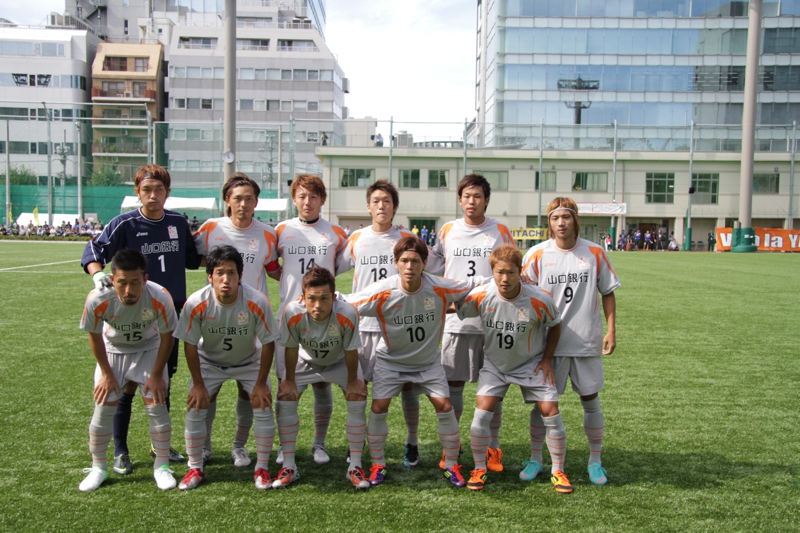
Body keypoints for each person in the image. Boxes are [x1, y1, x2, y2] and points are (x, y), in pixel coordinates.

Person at [81, 164, 201, 474]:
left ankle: (159, 446)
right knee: (125, 388)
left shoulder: (178, 222)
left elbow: (192, 259)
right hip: (131, 313)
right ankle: (120, 450)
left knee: (161, 381)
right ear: (138, 192)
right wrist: (97, 275)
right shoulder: (124, 224)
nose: (153, 195)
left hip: (168, 313)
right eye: (146, 190)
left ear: (167, 192)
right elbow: (92, 250)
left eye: (159, 189)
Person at [346, 236, 482, 488]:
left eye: (416, 261)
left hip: (428, 363)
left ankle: (452, 465)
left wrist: (511, 279)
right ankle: (378, 464)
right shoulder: (383, 291)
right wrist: (311, 297)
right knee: (379, 407)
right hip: (391, 361)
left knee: (445, 406)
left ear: (425, 263)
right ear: (396, 263)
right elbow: (347, 302)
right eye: (404, 260)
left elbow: (474, 283)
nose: (410, 266)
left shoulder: (439, 287)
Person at [522, 197, 620, 486]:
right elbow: (523, 296)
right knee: (543, 405)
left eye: (566, 217)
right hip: (546, 347)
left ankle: (595, 461)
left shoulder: (595, 252)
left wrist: (611, 330)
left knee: (590, 400)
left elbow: (608, 292)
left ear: (575, 219)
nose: (561, 223)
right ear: (549, 222)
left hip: (585, 342)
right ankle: (536, 458)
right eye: (555, 218)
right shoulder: (537, 253)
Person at [459, 244, 572, 493]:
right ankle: (479, 468)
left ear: (520, 271)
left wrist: (547, 359)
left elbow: (555, 324)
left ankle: (558, 471)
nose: (505, 278)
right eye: (499, 272)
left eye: (511, 272)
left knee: (551, 411)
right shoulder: (481, 294)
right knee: (481, 412)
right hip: (495, 365)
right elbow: (452, 307)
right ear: (492, 271)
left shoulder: (539, 298)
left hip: (530, 362)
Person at [427, 174, 515, 473]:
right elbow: (434, 264)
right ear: (459, 199)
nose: (471, 201)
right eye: (466, 196)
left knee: (493, 389)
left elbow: (513, 267)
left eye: (477, 196)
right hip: (456, 321)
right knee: (453, 385)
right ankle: (452, 445)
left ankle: (493, 447)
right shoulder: (448, 230)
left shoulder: (500, 230)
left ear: (486, 200)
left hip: (492, 322)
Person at [192, 173, 280, 468]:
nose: (243, 204)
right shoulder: (210, 229)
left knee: (248, 389)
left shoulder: (268, 234)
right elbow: (191, 257)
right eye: (237, 198)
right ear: (227, 200)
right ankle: (204, 447)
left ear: (256, 202)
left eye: (249, 199)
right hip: (216, 318)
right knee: (210, 390)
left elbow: (274, 269)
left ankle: (239, 446)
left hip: (252, 321)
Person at [173, 245, 279, 491]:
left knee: (261, 402)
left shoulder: (256, 301)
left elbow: (268, 343)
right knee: (197, 403)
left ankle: (261, 466)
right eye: (220, 273)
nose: (226, 279)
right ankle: (196, 466)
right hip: (210, 362)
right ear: (209, 276)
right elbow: (189, 344)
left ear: (240, 276)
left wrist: (261, 383)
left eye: (231, 273)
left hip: (249, 361)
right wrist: (198, 384)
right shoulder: (196, 302)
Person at [78, 249, 178, 492]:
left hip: (149, 349)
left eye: (135, 282)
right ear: (112, 279)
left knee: (156, 406)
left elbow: (168, 337)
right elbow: (94, 336)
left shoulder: (160, 296)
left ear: (145, 279)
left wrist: (157, 375)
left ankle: (162, 466)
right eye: (122, 282)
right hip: (114, 351)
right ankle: (98, 467)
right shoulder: (97, 298)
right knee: (103, 406)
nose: (128, 290)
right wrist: (106, 374)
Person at [336, 180, 419, 467]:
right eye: (376, 201)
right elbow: (333, 268)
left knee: (408, 385)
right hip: (363, 325)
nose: (381, 206)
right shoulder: (357, 238)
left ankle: (412, 442)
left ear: (395, 207)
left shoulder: (407, 237)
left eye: (387, 201)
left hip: (398, 325)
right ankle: (357, 444)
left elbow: (434, 266)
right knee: (359, 387)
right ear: (368, 207)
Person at [273, 174, 349, 466]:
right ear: (294, 199)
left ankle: (319, 443)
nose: (308, 202)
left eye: (313, 196)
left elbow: (339, 265)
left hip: (324, 317)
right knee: (286, 383)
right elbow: (272, 266)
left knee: (322, 383)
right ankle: (285, 446)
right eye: (302, 196)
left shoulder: (336, 233)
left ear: (322, 200)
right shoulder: (280, 230)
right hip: (290, 316)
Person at [274, 266, 369, 489]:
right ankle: (289, 466)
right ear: (303, 297)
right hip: (305, 361)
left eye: (324, 298)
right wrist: (289, 380)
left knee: (357, 395)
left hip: (339, 361)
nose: (318, 305)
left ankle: (355, 466)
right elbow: (290, 348)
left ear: (333, 298)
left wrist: (353, 382)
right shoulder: (292, 311)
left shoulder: (348, 313)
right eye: (312, 298)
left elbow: (351, 350)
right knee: (286, 396)